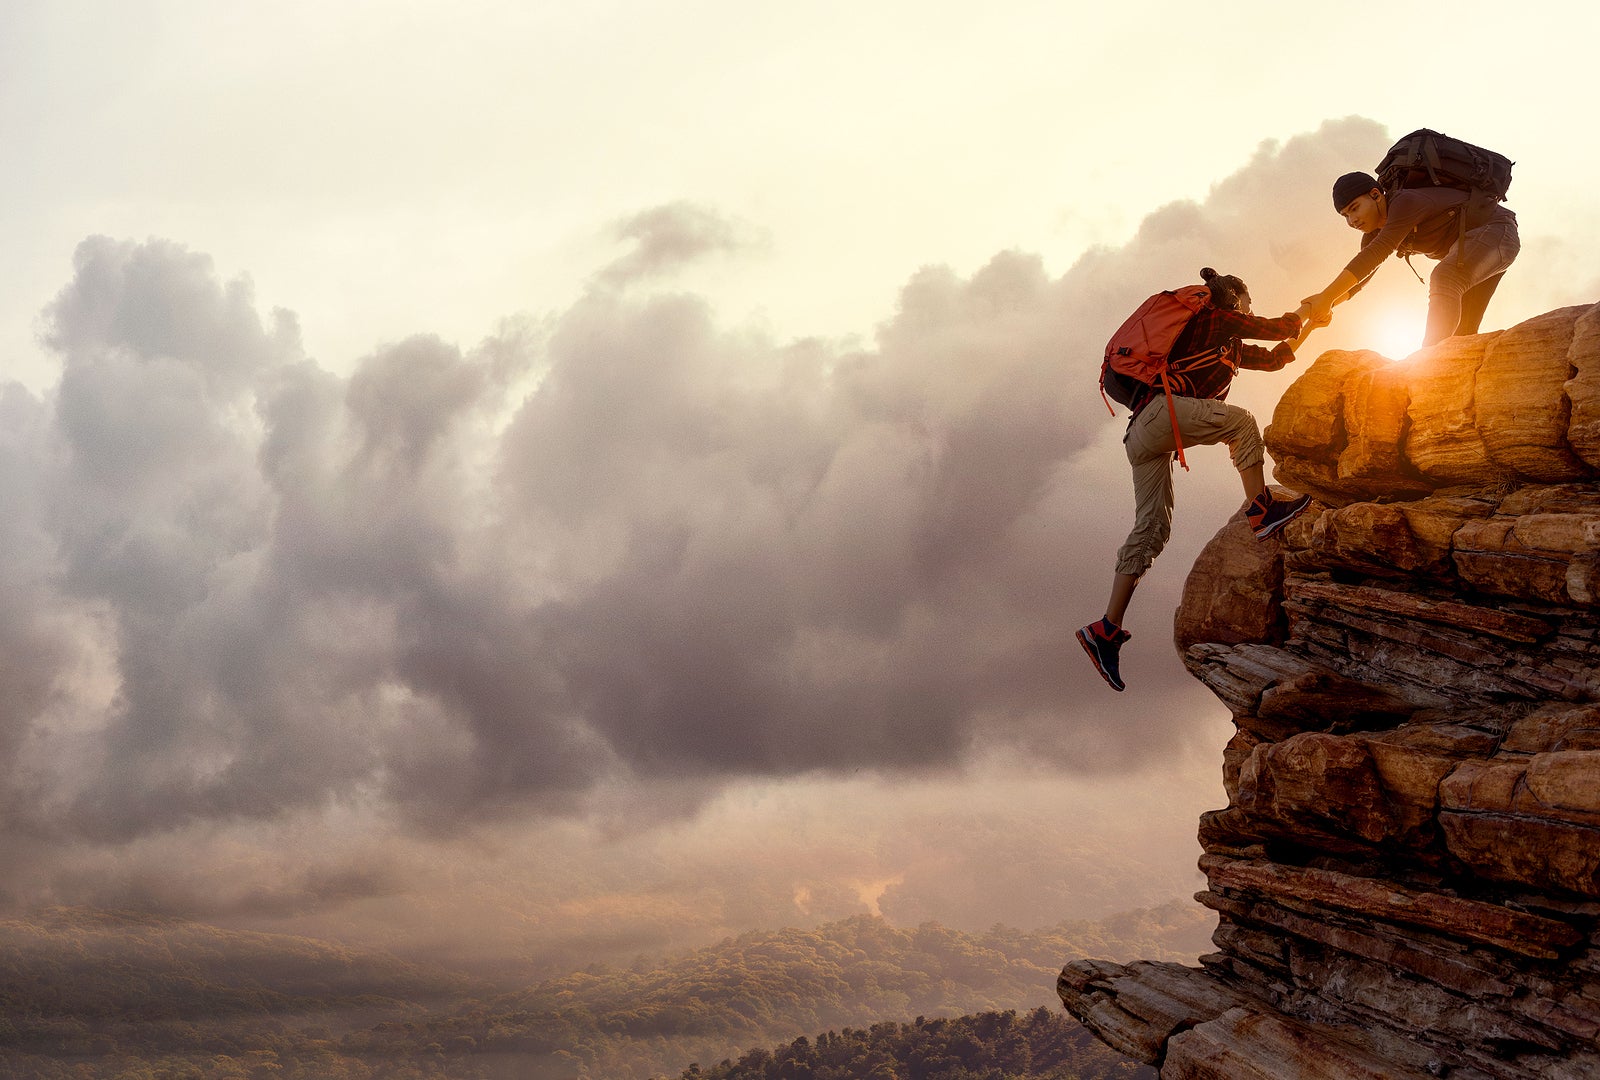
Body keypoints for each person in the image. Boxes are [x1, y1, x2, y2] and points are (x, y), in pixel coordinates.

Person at [1077, 268, 1315, 692]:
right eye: (1247, 301)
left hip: (1142, 435)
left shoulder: (1226, 346)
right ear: (1233, 300)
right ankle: (1261, 512)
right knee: (1241, 423)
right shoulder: (1214, 320)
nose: (1249, 309)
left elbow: (1277, 355)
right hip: (1161, 417)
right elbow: (1278, 327)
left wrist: (1309, 326)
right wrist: (1310, 309)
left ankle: (1106, 630)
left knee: (1151, 530)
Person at [1301, 171, 1520, 348]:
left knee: (1446, 278)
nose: (1352, 220)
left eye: (1354, 208)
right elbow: (1359, 282)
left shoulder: (1405, 202)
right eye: (1345, 216)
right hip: (1471, 253)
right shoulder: (1373, 235)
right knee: (1461, 340)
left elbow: (1376, 253)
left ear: (1376, 195)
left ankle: (1425, 363)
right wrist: (1325, 305)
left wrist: (1327, 297)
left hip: (1498, 233)